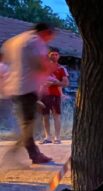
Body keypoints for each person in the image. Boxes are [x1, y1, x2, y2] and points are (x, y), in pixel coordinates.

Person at [1, 22, 55, 164]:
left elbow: (7, 62)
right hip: (26, 88)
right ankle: (23, 153)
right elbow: (39, 66)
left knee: (29, 122)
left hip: (14, 88)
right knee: (30, 124)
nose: (50, 39)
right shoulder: (35, 41)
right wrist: (50, 67)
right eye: (50, 35)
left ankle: (32, 153)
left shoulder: (13, 41)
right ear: (46, 32)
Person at [39, 48, 68, 144]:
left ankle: (57, 138)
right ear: (49, 55)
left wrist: (54, 83)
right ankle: (47, 137)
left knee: (56, 115)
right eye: (52, 54)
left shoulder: (61, 68)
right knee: (45, 115)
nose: (54, 56)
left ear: (59, 56)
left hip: (55, 94)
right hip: (44, 94)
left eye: (56, 54)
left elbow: (65, 83)